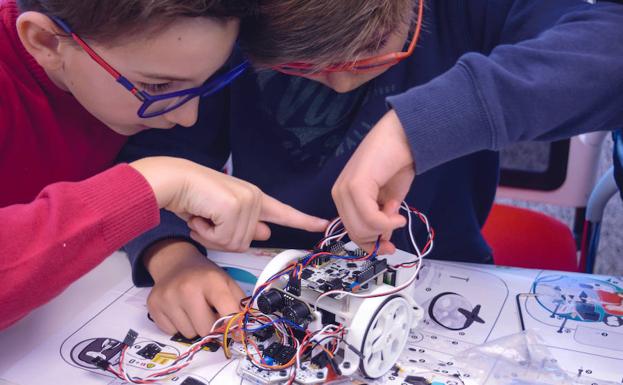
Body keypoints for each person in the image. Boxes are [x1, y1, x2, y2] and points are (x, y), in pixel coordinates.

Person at [120, 0, 623, 338]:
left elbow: (608, 47)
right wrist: (172, 256)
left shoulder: (466, 13)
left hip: (440, 280)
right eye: (301, 65)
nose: (339, 82)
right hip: (265, 281)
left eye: (370, 56)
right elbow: (160, 154)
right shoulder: (231, 23)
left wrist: (417, 126)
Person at [0, 0, 328, 331]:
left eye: (212, 80)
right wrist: (150, 185)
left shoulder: (143, 60)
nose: (188, 117)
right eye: (157, 87)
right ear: (47, 41)